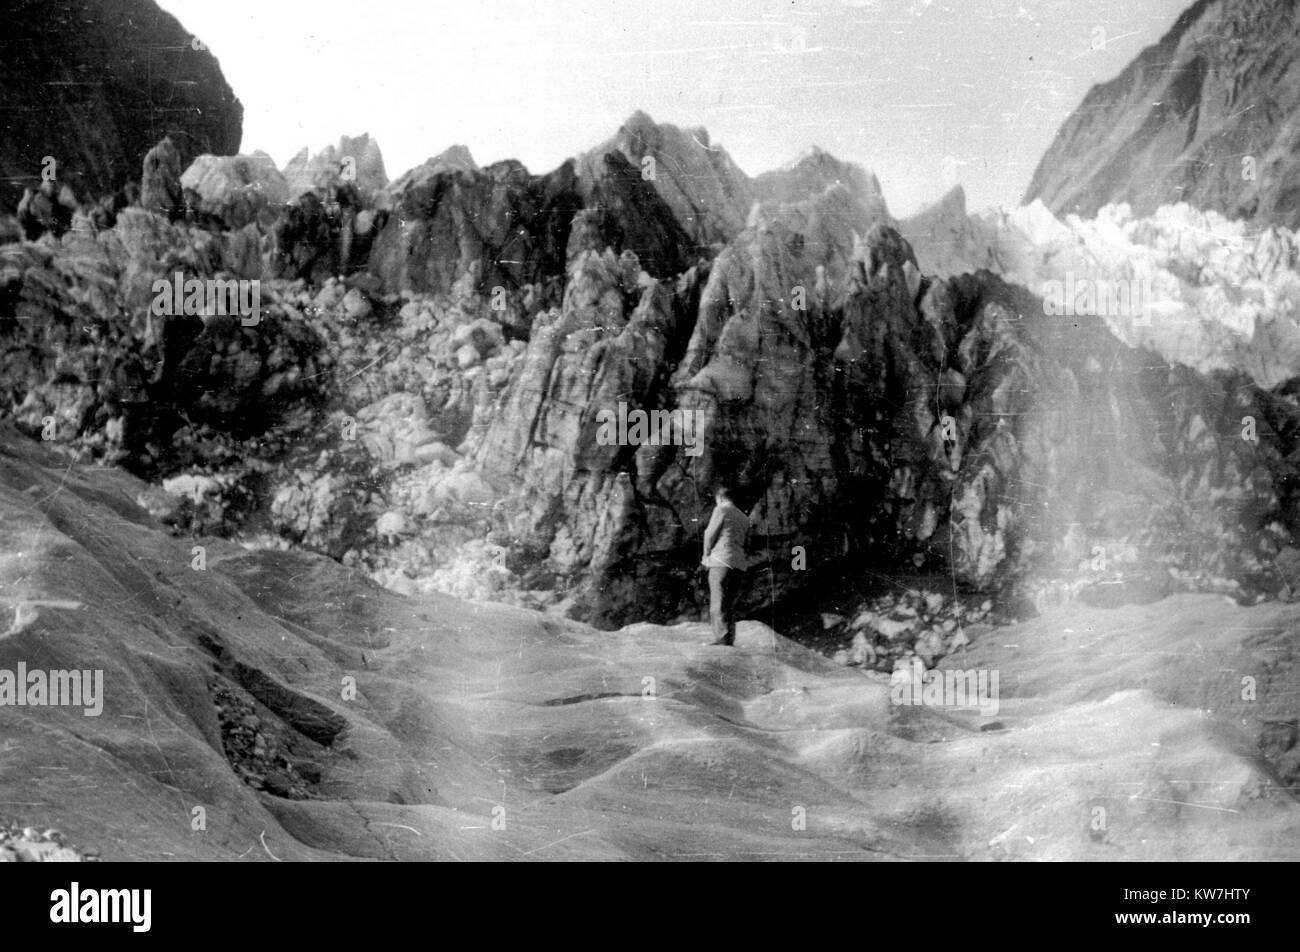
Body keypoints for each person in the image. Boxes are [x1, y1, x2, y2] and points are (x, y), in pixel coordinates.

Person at [701, 484, 750, 646]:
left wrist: (706, 555)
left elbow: (709, 534)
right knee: (729, 602)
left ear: (720, 498)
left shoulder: (721, 509)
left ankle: (721, 638)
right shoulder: (744, 517)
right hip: (739, 563)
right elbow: (747, 543)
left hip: (721, 561)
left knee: (718, 600)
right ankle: (729, 638)